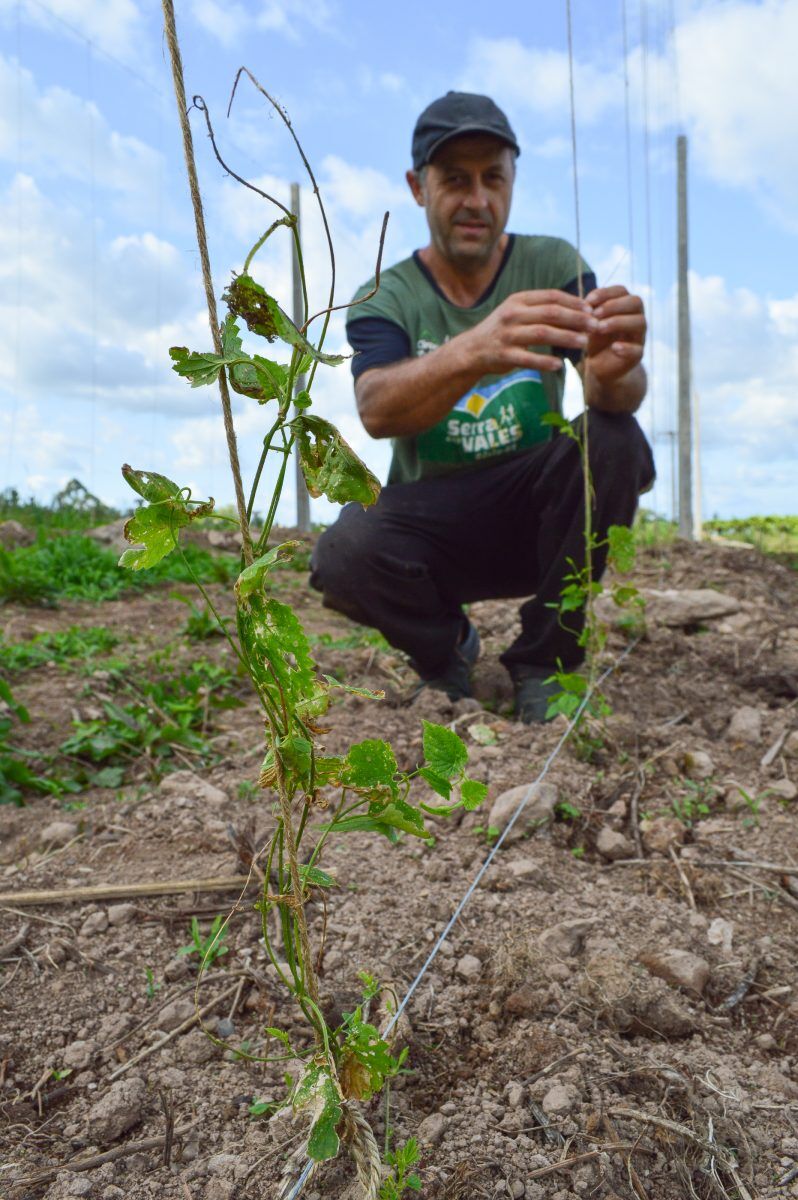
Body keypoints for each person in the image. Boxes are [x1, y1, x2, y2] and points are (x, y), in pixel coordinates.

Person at [310, 91, 655, 722]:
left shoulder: (552, 264)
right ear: (418, 187)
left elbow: (615, 397)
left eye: (493, 178)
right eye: (455, 179)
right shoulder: (385, 296)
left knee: (614, 435)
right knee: (344, 552)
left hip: (536, 512)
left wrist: (616, 370)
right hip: (433, 528)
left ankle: (546, 661)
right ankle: (446, 651)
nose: (477, 199)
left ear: (513, 183)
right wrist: (473, 349)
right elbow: (377, 409)